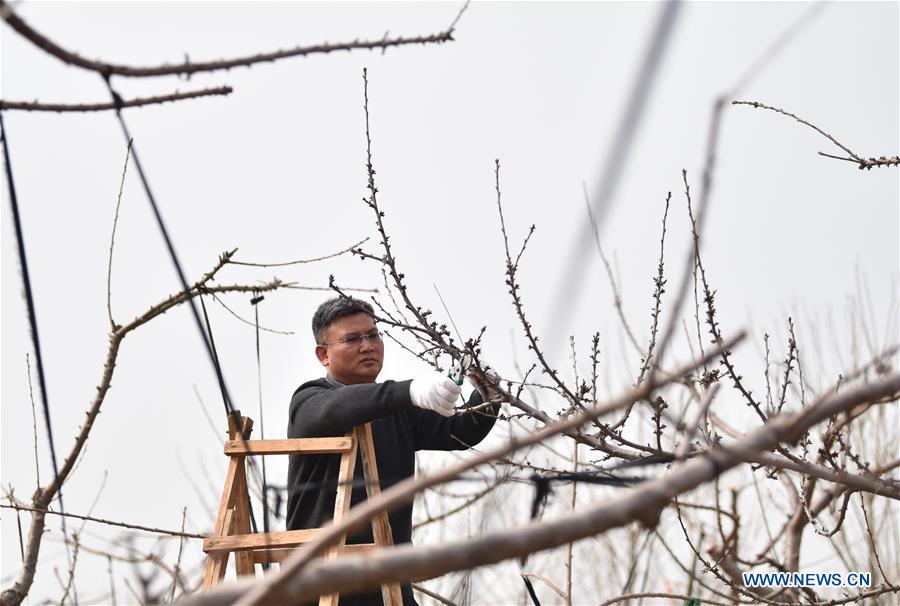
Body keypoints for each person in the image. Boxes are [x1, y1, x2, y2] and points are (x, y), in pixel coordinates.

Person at [286, 296, 498, 606]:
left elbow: (459, 431)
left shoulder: (397, 410)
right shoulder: (309, 400)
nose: (367, 345)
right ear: (323, 354)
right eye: (352, 339)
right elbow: (338, 409)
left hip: (388, 581)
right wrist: (410, 391)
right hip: (320, 584)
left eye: (373, 335)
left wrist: (487, 394)